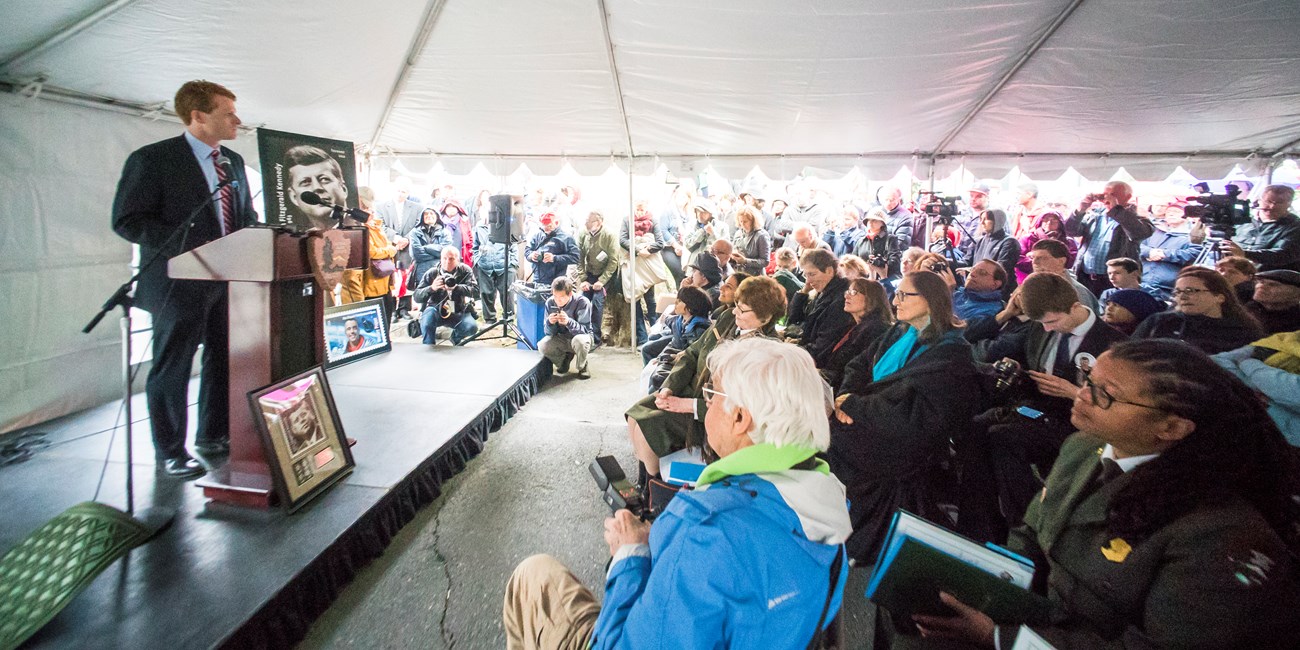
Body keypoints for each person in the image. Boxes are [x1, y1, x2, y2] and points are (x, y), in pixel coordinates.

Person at [914, 340, 1300, 649]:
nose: (1081, 395)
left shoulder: (1217, 532)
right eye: (1088, 380)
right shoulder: (1084, 447)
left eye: (1106, 395)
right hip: (1043, 616)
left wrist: (998, 637)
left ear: (1171, 427)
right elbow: (1032, 532)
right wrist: (983, 586)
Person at [504, 338, 851, 650]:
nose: (707, 405)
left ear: (741, 417)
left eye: (712, 395)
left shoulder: (703, 527)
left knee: (533, 577)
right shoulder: (827, 499)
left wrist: (630, 555)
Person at [110, 80, 257, 477]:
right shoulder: (154, 160)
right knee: (172, 366)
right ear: (197, 116)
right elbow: (127, 220)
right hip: (176, 283)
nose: (237, 120)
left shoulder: (234, 162)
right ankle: (171, 449)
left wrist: (260, 234)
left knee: (224, 359)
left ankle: (213, 433)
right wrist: (192, 242)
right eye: (228, 112)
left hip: (227, 280)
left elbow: (243, 216)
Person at [957, 271, 1129, 543]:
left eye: (1053, 321)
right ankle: (980, 526)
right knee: (975, 428)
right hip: (1034, 408)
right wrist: (1017, 371)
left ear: (1074, 307)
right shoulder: (1041, 329)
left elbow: (1121, 406)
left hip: (1076, 421)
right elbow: (1028, 365)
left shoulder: (1112, 345)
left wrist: (1074, 392)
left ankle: (1028, 526)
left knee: (1002, 438)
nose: (1048, 328)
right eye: (1042, 322)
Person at [829, 271, 983, 561]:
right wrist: (845, 397)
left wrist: (855, 406)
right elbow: (859, 365)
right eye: (896, 293)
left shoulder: (950, 354)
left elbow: (918, 418)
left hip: (907, 440)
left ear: (930, 300)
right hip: (871, 418)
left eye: (903, 295)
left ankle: (861, 538)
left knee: (832, 440)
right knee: (827, 432)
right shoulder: (899, 332)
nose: (894, 300)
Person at [624, 276, 783, 478]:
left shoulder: (768, 351)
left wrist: (688, 405)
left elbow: (744, 408)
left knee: (647, 429)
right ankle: (645, 481)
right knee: (635, 415)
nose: (735, 311)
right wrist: (669, 387)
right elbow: (692, 353)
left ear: (766, 317)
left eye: (742, 310)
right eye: (736, 305)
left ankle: (654, 488)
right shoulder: (728, 320)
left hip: (714, 415)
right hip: (688, 390)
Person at [1134, 266, 1263, 354]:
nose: (1183, 297)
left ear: (1219, 297)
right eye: (1178, 292)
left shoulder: (1242, 331)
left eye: (1191, 291)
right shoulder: (1159, 321)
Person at [1066, 181, 1155, 297]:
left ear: (1128, 197)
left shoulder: (1136, 217)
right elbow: (1071, 231)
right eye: (1104, 194)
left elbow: (1138, 234)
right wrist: (1080, 210)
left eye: (1113, 194)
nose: (1106, 198)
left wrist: (1115, 209)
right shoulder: (1095, 215)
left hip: (1115, 280)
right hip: (1085, 276)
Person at [821, 278, 893, 391]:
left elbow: (858, 372)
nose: (847, 296)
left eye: (854, 292)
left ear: (871, 298)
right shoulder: (853, 326)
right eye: (847, 292)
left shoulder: (876, 329)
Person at [788, 249, 855, 367]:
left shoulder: (842, 299)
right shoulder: (825, 291)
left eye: (812, 274)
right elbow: (795, 319)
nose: (808, 281)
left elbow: (823, 345)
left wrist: (794, 351)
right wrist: (803, 292)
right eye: (806, 275)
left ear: (829, 271)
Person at [1221, 184, 1300, 272]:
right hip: (1233, 274)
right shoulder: (1241, 221)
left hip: (1270, 279)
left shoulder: (1295, 226)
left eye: (1279, 202)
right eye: (1268, 201)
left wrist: (1244, 254)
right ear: (1259, 201)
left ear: (1289, 204)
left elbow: (1283, 255)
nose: (1272, 206)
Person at [378, 177, 424, 319]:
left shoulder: (417, 207)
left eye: (403, 191)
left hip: (408, 247)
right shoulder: (381, 206)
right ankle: (391, 309)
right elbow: (380, 225)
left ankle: (404, 308)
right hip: (389, 247)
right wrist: (396, 238)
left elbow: (419, 225)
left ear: (408, 193)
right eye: (398, 191)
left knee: (406, 276)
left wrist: (406, 239)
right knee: (391, 277)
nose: (400, 194)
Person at [414, 248, 479, 346]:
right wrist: (432, 288)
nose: (447, 262)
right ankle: (428, 346)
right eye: (444, 258)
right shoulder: (432, 272)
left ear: (458, 260)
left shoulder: (465, 271)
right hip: (436, 310)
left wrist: (457, 288)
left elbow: (476, 292)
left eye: (451, 259)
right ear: (440, 259)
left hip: (458, 310)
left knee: (471, 327)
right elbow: (417, 296)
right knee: (427, 319)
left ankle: (455, 338)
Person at [1140, 202, 1202, 300]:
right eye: (1169, 211)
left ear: (1186, 215)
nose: (1171, 214)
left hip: (1169, 287)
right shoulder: (1153, 230)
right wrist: (1149, 252)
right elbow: (1137, 246)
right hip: (1143, 281)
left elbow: (1195, 253)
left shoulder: (1193, 235)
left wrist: (1165, 254)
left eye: (1176, 211)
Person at [577, 210, 620, 347]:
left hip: (606, 273)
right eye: (586, 221)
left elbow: (613, 261)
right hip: (590, 272)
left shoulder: (609, 235)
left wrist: (602, 281)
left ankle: (595, 338)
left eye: (590, 221)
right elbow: (578, 257)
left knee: (597, 301)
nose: (587, 224)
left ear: (599, 222)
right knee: (583, 300)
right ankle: (582, 333)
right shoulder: (583, 233)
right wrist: (583, 279)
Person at [470, 201, 518, 322]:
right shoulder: (478, 228)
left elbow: (514, 245)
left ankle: (509, 318)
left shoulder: (505, 226)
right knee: (486, 293)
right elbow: (474, 246)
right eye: (483, 212)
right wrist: (477, 260)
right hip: (485, 265)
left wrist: (513, 263)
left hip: (504, 265)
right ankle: (489, 319)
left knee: (506, 293)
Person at [640, 286, 713, 365]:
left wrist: (665, 358)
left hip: (682, 361)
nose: (675, 303)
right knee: (652, 337)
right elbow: (668, 320)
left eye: (679, 301)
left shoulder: (699, 329)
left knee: (655, 373)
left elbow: (690, 353)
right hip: (672, 354)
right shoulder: (679, 320)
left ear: (690, 306)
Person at [284, 144, 349, 232]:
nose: (317, 188)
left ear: (343, 189)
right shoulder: (301, 240)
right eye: (305, 182)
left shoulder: (367, 230)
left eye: (324, 179)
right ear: (294, 197)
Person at [539, 276, 593, 379]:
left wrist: (568, 322)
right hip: (562, 338)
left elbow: (585, 331)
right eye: (555, 296)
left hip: (580, 337)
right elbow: (548, 333)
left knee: (580, 341)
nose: (558, 300)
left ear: (570, 294)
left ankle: (582, 366)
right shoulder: (550, 303)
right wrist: (550, 322)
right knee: (543, 345)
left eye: (562, 297)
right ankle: (563, 360)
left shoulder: (582, 302)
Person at [1026, 239, 1099, 313]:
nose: (1034, 262)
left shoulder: (1077, 293)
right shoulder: (1031, 285)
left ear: (1061, 261)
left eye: (1041, 258)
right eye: (1032, 258)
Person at [968, 209, 1021, 297]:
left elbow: (1002, 269)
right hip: (977, 288)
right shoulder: (979, 240)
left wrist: (971, 270)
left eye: (986, 219)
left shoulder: (1009, 242)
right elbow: (967, 261)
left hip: (999, 292)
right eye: (981, 219)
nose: (982, 222)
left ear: (997, 220)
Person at [1014, 211, 1075, 283]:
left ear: (1060, 223)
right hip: (1028, 279)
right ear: (1040, 221)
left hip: (1056, 280)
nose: (1049, 223)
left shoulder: (1068, 242)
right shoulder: (1028, 238)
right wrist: (1041, 260)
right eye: (1046, 220)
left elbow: (1069, 262)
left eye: (1054, 220)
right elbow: (1019, 259)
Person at [407, 207, 452, 299]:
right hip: (421, 271)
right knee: (424, 298)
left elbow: (446, 252)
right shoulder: (414, 232)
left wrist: (426, 248)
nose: (429, 216)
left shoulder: (445, 232)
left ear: (437, 216)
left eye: (432, 213)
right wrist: (436, 254)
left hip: (441, 269)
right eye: (426, 214)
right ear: (422, 217)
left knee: (442, 298)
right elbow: (416, 254)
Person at [525, 211, 579, 285]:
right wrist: (531, 256)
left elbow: (576, 257)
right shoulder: (537, 236)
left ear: (556, 223)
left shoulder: (566, 238)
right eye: (543, 226)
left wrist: (554, 258)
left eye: (549, 226)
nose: (546, 229)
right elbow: (527, 251)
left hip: (557, 280)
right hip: (537, 279)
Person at [1246, 269, 1300, 335]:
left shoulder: (1295, 323)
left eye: (1273, 285)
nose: (1261, 286)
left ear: (1297, 294)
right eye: (1261, 282)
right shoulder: (1247, 309)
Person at [854, 209, 901, 282]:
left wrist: (880, 263)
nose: (871, 223)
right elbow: (854, 261)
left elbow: (895, 262)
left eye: (874, 220)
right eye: (869, 220)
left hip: (886, 281)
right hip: (865, 282)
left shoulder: (891, 239)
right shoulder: (861, 241)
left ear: (882, 223)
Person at [1100, 288, 1165, 336]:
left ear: (1136, 310)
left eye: (1116, 305)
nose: (1109, 308)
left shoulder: (1149, 336)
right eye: (1108, 304)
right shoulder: (1099, 329)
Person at [729, 205, 771, 276]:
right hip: (739, 273)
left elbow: (765, 262)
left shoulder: (761, 235)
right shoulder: (738, 233)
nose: (742, 224)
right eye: (740, 221)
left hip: (756, 276)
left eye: (745, 221)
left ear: (753, 220)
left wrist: (745, 261)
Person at [879, 184, 914, 252]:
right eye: (886, 199)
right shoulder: (877, 212)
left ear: (898, 199)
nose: (889, 203)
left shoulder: (906, 216)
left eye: (892, 200)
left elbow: (901, 243)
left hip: (894, 255)